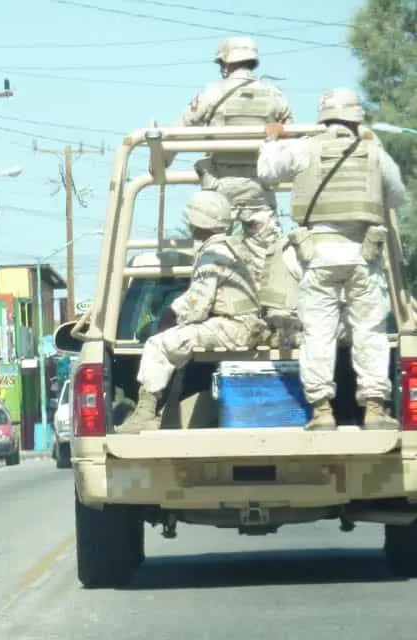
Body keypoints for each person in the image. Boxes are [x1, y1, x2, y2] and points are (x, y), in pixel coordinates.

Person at [257, 87, 407, 430]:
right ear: (357, 118)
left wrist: (271, 138)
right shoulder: (373, 152)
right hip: (362, 255)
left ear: (323, 116)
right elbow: (396, 196)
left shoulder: (306, 147)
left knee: (318, 333)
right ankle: (373, 409)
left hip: (318, 256)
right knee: (369, 331)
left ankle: (322, 411)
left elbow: (266, 171)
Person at [118, 190, 267, 434]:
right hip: (248, 326)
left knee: (158, 344)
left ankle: (145, 413)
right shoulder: (238, 249)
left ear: (198, 222)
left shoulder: (212, 254)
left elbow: (197, 305)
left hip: (232, 328)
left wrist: (170, 315)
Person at [158, 36, 294, 288]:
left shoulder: (212, 93)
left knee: (211, 254)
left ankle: (209, 302)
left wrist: (162, 161)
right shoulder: (274, 95)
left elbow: (181, 128)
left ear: (225, 65)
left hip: (219, 185)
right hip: (259, 186)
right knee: (268, 261)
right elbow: (291, 137)